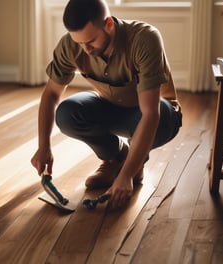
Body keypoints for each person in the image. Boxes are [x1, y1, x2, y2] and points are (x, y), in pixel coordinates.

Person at [31, 0, 182, 209]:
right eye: (80, 43)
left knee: (163, 116)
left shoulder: (144, 38)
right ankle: (115, 158)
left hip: (153, 114)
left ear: (109, 24)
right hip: (111, 106)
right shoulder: (72, 45)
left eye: (91, 41)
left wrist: (127, 175)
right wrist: (44, 147)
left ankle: (132, 163)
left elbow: (151, 114)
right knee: (66, 114)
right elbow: (51, 95)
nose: (86, 49)